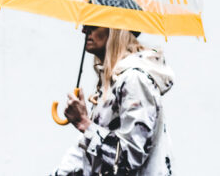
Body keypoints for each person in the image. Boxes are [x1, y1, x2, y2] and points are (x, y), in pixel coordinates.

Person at [51, 24, 176, 176]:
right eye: (84, 25)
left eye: (93, 25)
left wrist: (84, 123)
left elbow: (129, 157)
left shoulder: (135, 80)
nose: (84, 30)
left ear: (115, 29)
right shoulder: (113, 81)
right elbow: (88, 152)